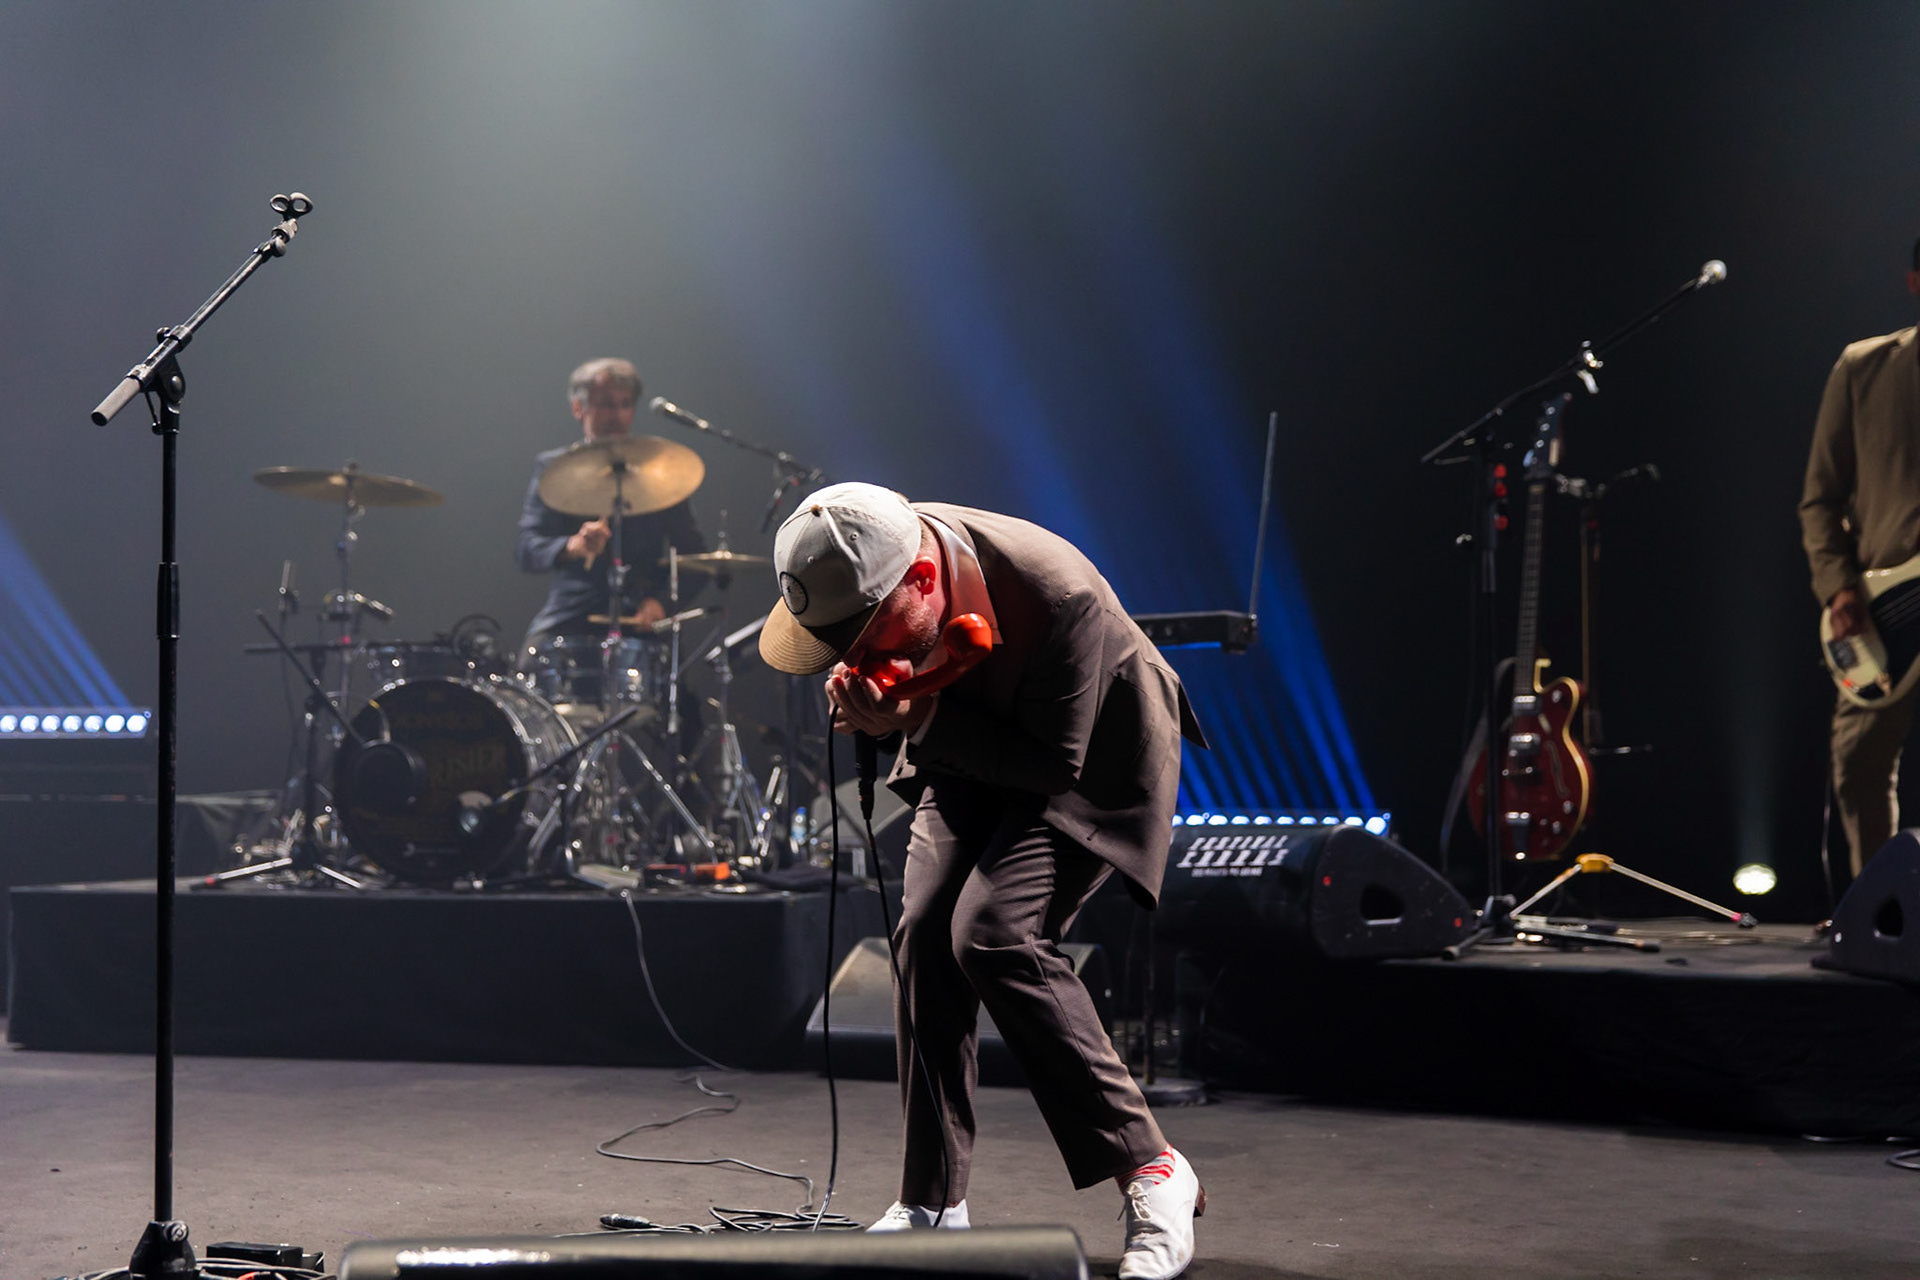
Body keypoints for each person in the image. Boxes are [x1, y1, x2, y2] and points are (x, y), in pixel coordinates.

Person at [758, 482, 1209, 1280]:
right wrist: (884, 698)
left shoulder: (1056, 593)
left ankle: (1154, 1169)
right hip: (966, 738)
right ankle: (932, 1203)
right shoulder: (880, 561)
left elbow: (1049, 764)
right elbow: (922, 697)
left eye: (863, 637)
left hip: (1085, 755)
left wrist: (914, 719)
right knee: (927, 934)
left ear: (924, 582)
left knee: (994, 934)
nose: (856, 659)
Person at [1800, 240, 1920, 879]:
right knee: (1858, 768)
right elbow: (1818, 498)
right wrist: (1838, 586)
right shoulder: (1863, 367)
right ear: (1913, 281)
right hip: (1888, 607)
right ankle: (1874, 917)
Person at [515, 358, 704, 662]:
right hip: (572, 617)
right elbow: (525, 549)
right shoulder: (553, 468)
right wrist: (571, 546)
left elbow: (695, 559)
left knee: (679, 698)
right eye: (605, 404)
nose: (617, 415)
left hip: (643, 623)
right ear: (578, 409)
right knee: (527, 671)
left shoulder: (664, 474)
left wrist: (661, 602)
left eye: (625, 404)